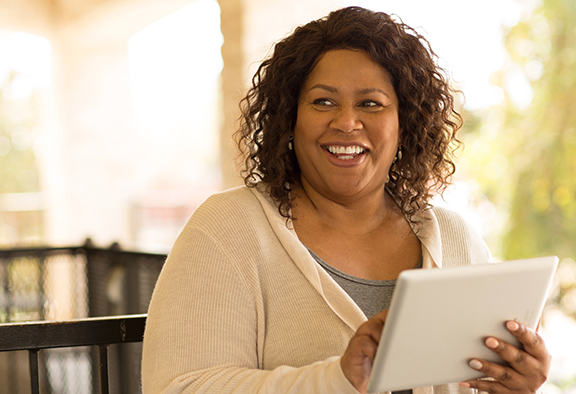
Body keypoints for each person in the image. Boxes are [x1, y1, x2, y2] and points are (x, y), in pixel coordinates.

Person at [142, 6, 551, 394]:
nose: (346, 122)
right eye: (323, 101)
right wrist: (337, 379)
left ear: (404, 124)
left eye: (370, 104)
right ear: (289, 118)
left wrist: (511, 385)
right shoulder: (228, 228)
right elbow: (179, 387)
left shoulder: (454, 236)